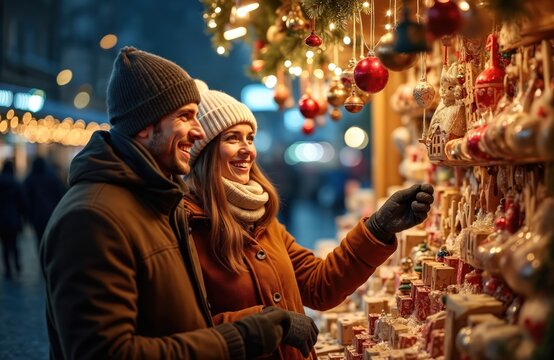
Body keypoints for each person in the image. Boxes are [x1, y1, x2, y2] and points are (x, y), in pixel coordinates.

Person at [40, 46, 315, 360]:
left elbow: (180, 322)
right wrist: (244, 335)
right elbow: (108, 352)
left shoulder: (160, 203)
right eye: (185, 116)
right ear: (146, 125)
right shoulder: (92, 217)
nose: (198, 131)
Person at [184, 83, 435, 359]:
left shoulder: (263, 222)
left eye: (250, 138)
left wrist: (377, 228)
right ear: (204, 151)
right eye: (232, 138)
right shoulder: (188, 229)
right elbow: (188, 335)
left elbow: (319, 286)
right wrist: (267, 324)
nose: (247, 150)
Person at [23, 156, 66, 248]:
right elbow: (61, 194)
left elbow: (26, 200)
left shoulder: (30, 179)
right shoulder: (52, 177)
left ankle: (42, 257)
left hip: (36, 217)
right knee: (51, 239)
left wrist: (28, 216)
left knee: (39, 240)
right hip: (51, 214)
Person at [0, 160, 26, 279]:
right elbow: (22, 203)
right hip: (13, 218)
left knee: (4, 245)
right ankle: (17, 265)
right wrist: (24, 217)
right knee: (14, 244)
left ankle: (8, 270)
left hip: (1, 219)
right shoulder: (16, 184)